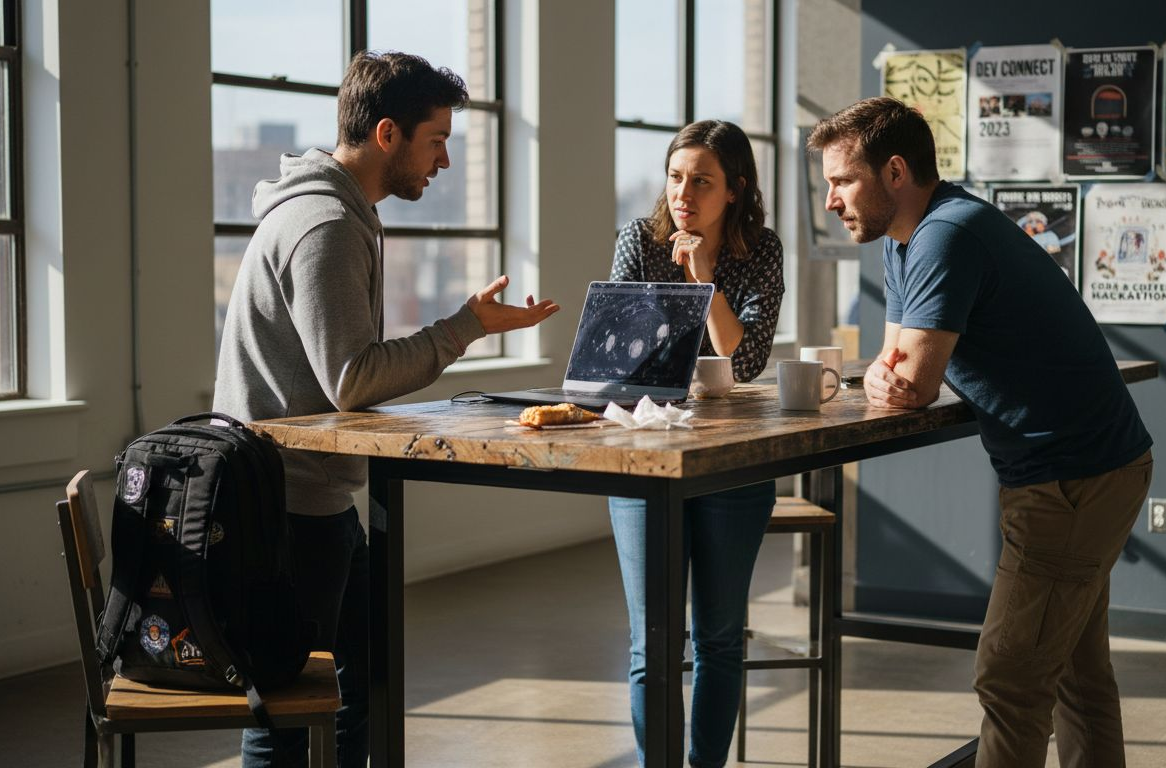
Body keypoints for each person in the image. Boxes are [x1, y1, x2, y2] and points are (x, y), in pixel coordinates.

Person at [213, 51, 558, 767]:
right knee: (284, 715)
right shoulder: (325, 225)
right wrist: (466, 327)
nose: (445, 163)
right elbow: (351, 378)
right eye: (438, 142)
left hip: (311, 498)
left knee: (361, 683)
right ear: (389, 135)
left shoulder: (341, 212)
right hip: (291, 508)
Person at [809, 97, 1153, 768]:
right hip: (1084, 469)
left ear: (896, 172)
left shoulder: (947, 234)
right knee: (1077, 679)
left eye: (841, 181)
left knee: (1011, 678)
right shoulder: (906, 241)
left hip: (1073, 478)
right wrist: (897, 374)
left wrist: (898, 376)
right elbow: (894, 367)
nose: (829, 201)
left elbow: (906, 385)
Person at [607, 119, 784, 768]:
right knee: (652, 644)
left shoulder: (760, 250)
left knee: (719, 639)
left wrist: (703, 274)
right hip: (644, 455)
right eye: (676, 178)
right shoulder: (639, 241)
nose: (683, 193)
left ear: (734, 190)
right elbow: (622, 354)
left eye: (702, 182)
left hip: (733, 459)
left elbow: (743, 358)